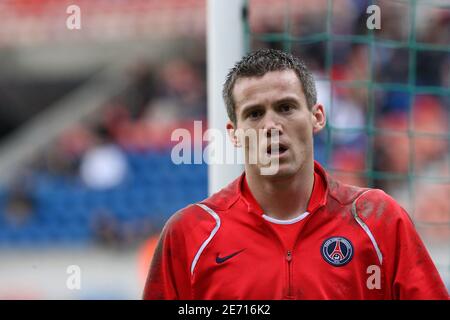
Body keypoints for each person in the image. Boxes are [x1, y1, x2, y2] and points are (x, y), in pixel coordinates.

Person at [143, 49, 449, 300]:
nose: (271, 126)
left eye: (286, 107)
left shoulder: (378, 218)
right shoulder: (190, 233)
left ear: (317, 117)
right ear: (234, 134)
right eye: (254, 114)